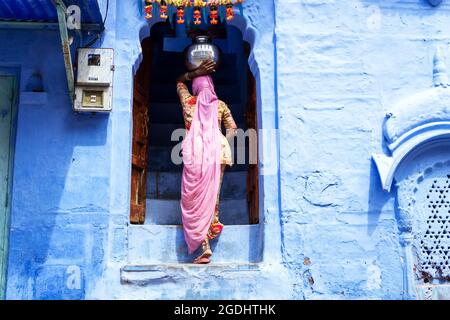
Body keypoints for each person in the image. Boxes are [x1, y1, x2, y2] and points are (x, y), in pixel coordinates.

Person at [176, 60, 238, 264]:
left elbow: (179, 82)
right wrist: (220, 142)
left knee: (193, 198)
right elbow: (233, 129)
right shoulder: (220, 105)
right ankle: (208, 236)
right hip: (217, 151)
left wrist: (193, 72)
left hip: (195, 152)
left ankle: (203, 245)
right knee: (212, 197)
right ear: (211, 86)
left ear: (195, 86)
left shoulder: (189, 102)